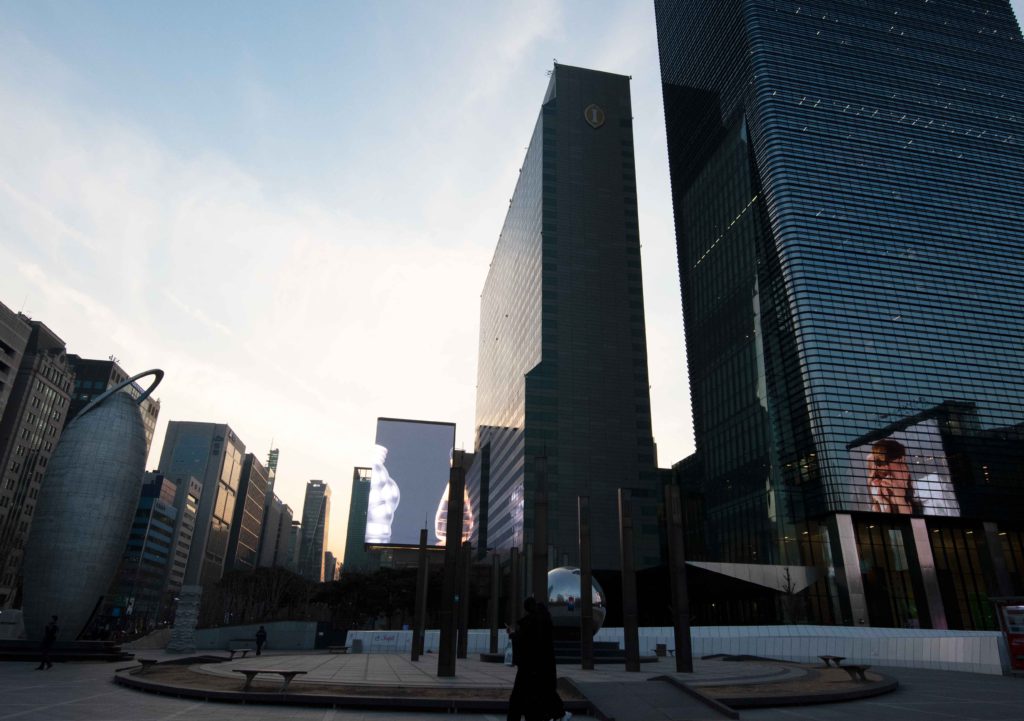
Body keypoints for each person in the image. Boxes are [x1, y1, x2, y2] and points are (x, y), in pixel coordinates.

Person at [867, 439, 913, 514]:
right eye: (900, 462)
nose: (906, 468)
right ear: (884, 468)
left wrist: (900, 500)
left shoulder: (912, 505)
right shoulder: (877, 508)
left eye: (905, 462)